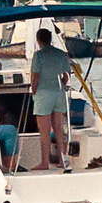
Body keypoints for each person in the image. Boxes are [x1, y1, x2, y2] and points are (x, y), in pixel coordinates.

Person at [29, 23, 74, 171]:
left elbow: (35, 76)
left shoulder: (38, 55)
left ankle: (44, 162)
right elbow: (66, 76)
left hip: (43, 93)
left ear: (38, 40)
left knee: (45, 132)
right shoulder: (61, 54)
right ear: (50, 39)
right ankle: (63, 160)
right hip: (59, 93)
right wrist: (60, 84)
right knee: (59, 130)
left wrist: (34, 91)